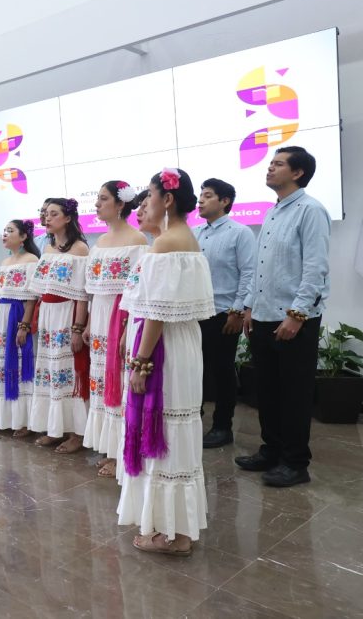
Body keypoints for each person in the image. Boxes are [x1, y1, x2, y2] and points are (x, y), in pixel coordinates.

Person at [117, 168, 215, 556]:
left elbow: (156, 313)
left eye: (151, 197)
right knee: (178, 430)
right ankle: (179, 528)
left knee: (165, 431)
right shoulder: (185, 239)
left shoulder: (166, 244)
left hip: (165, 349)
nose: (146, 204)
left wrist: (141, 364)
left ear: (168, 199)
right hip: (183, 343)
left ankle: (172, 535)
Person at [237, 146, 330, 488]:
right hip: (263, 317)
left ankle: (295, 462)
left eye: (277, 164)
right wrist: (249, 306)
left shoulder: (311, 211)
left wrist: (297, 315)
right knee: (268, 390)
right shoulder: (274, 212)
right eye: (270, 163)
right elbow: (262, 268)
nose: (269, 168)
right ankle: (271, 451)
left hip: (294, 320)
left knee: (294, 393)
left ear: (297, 173)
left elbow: (315, 269)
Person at [82, 181, 146, 478]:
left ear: (121, 204)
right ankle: (110, 448)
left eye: (103, 198)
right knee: (102, 380)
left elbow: (136, 292)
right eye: (96, 198)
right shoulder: (99, 242)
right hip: (100, 318)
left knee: (118, 381)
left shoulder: (137, 241)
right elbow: (94, 290)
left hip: (120, 317)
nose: (97, 204)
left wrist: (124, 332)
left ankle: (124, 452)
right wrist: (88, 320)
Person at [194, 178, 256, 449]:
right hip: (194, 312)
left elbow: (249, 273)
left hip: (223, 313)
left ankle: (222, 426)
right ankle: (193, 419)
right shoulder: (195, 233)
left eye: (208, 195)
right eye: (200, 195)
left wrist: (238, 310)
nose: (201, 200)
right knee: (194, 369)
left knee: (222, 371)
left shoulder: (240, 233)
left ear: (225, 201)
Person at [29, 197, 91, 454]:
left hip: (67, 314)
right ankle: (56, 428)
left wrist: (77, 328)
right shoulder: (47, 248)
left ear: (67, 218)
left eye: (53, 214)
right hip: (48, 316)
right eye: (45, 214)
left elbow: (81, 294)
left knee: (68, 371)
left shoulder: (80, 249)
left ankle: (77, 433)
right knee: (51, 369)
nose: (47, 218)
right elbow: (41, 288)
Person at [0, 219, 40, 435]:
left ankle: (23, 421)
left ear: (24, 236)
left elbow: (31, 299)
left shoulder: (31, 260)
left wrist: (24, 326)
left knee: (19, 365)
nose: (5, 234)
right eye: (4, 230)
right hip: (1, 318)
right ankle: (4, 417)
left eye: (10, 230)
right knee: (0, 364)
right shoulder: (3, 263)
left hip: (17, 317)